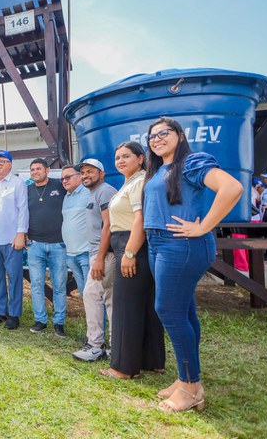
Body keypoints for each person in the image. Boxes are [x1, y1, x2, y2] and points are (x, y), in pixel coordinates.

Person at [144, 117, 242, 412]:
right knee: (183, 310)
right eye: (152, 136)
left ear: (180, 135)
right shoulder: (160, 169)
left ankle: (190, 388)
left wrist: (203, 227)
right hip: (158, 243)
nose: (157, 139)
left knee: (168, 311)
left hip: (181, 245)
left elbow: (231, 187)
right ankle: (186, 377)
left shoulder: (191, 162)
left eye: (164, 133)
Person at [101, 141, 165, 380]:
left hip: (131, 244)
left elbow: (140, 219)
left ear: (140, 159)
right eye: (117, 157)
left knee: (125, 306)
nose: (120, 161)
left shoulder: (139, 182)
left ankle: (123, 367)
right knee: (144, 305)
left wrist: (129, 253)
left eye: (126, 156)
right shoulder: (131, 182)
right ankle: (152, 361)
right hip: (130, 244)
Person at [72, 158, 117, 362]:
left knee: (91, 294)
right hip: (99, 254)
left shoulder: (105, 191)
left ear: (102, 173)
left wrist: (99, 258)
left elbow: (109, 226)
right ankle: (114, 346)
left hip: (104, 255)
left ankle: (95, 345)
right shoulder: (94, 193)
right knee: (109, 299)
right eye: (83, 172)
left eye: (90, 171)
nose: (85, 176)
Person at [0, 150, 29, 330]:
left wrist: (21, 233)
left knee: (15, 277)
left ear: (10, 164)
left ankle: (14, 314)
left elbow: (23, 209)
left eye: (2, 161)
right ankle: (0, 311)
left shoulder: (18, 183)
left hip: (11, 239)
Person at [26, 158, 68, 337]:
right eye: (32, 170)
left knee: (59, 285)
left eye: (38, 169)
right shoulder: (27, 190)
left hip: (59, 244)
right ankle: (40, 320)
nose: (35, 172)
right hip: (35, 245)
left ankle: (59, 322)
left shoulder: (60, 186)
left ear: (47, 170)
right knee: (36, 284)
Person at [60, 165, 91, 295]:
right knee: (84, 293)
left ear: (79, 176)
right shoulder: (66, 196)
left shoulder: (89, 192)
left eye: (68, 177)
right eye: (62, 179)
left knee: (93, 294)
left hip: (87, 252)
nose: (64, 180)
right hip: (71, 254)